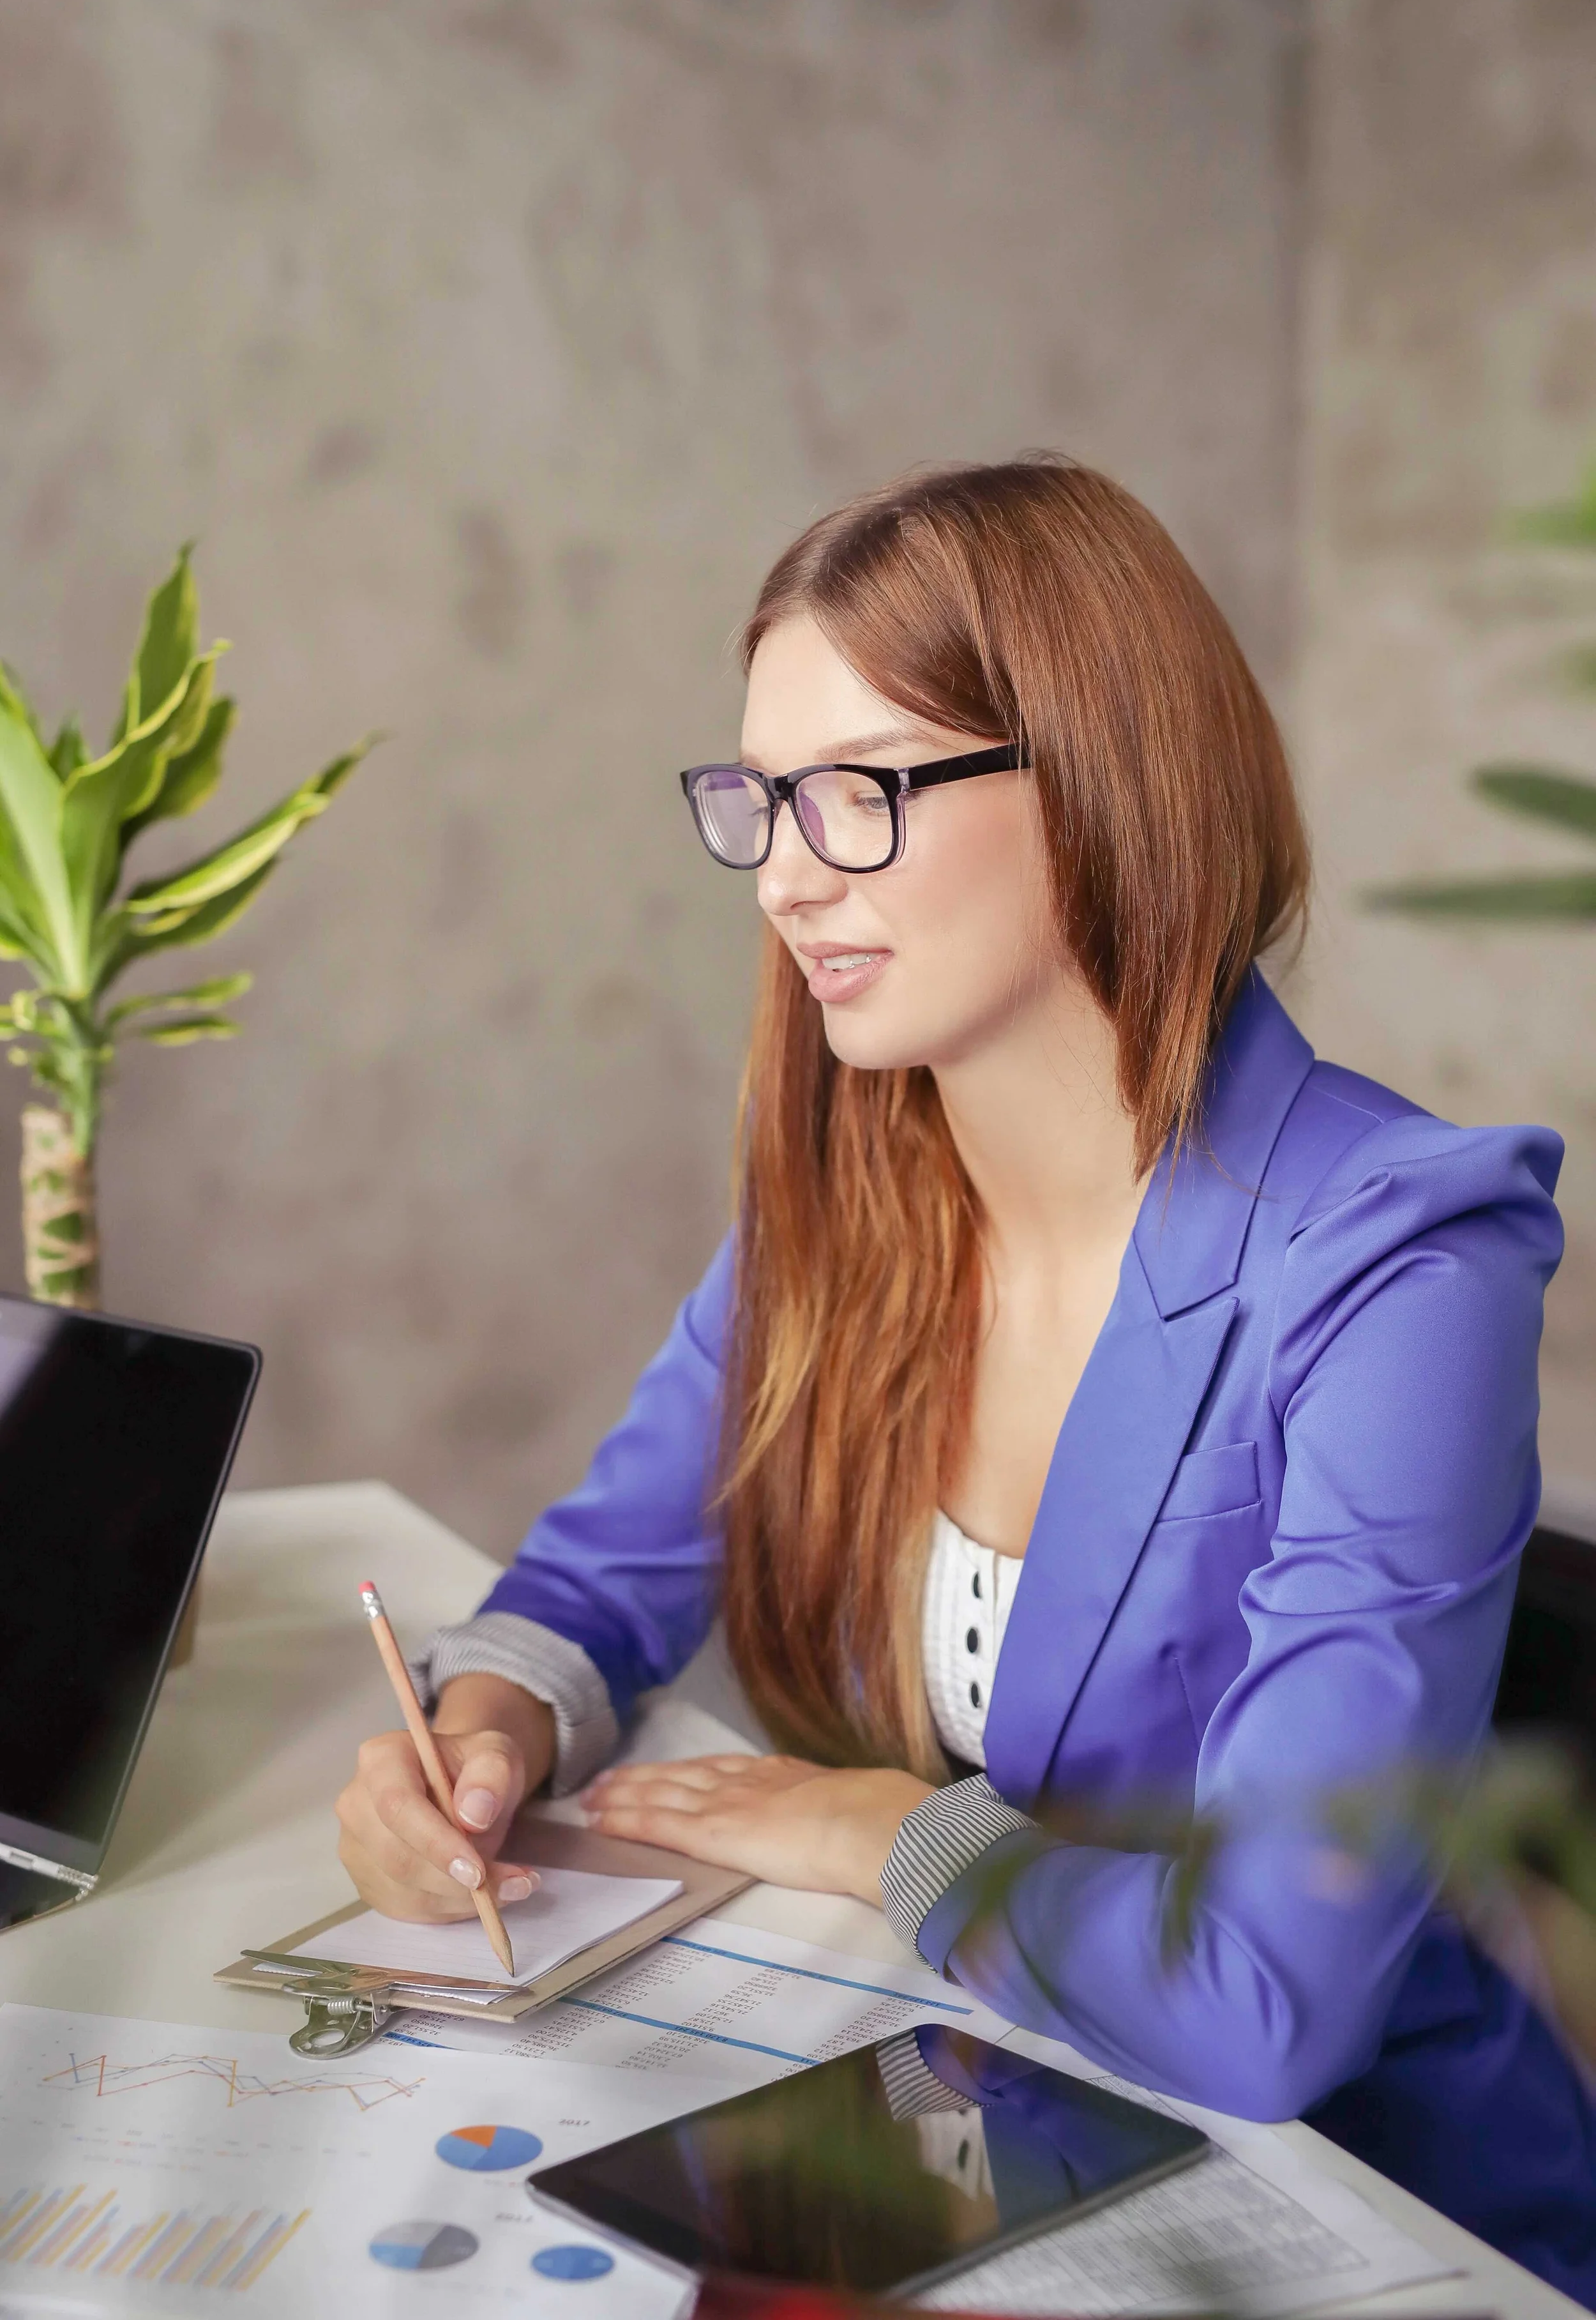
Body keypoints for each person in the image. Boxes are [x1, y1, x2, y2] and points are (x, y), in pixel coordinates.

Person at [335, 459, 1595, 2301]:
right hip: (999, 2117)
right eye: (759, 799)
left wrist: (890, 1834)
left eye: (857, 794)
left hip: (1353, 2213)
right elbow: (601, 1581)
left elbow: (1265, 1996)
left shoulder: (1397, 1257)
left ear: (1097, 781)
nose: (779, 872)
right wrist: (491, 1725)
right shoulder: (851, 1191)